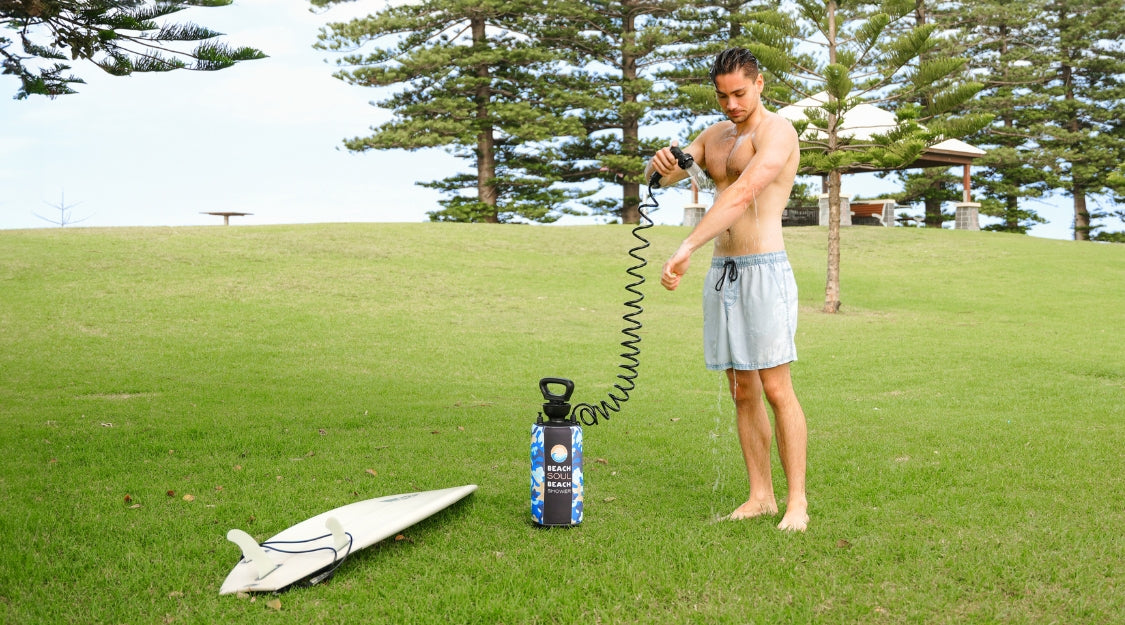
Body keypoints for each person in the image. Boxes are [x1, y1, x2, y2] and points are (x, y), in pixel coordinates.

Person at [645, 47, 809, 531]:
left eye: (739, 93)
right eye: (722, 96)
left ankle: (796, 503)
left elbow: (742, 193)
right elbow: (663, 177)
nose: (731, 104)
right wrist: (659, 164)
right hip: (724, 272)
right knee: (741, 390)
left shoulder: (777, 133)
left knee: (776, 387)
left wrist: (686, 246)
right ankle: (760, 496)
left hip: (764, 269)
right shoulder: (714, 136)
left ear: (759, 84)